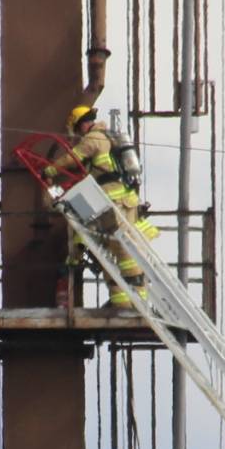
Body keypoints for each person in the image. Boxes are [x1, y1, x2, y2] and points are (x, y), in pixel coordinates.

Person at [61, 104, 150, 307]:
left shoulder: (94, 138)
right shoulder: (108, 137)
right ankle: (122, 302)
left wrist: (48, 171)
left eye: (76, 129)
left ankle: (136, 301)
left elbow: (73, 157)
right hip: (118, 200)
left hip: (112, 201)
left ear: (82, 124)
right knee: (111, 251)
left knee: (122, 250)